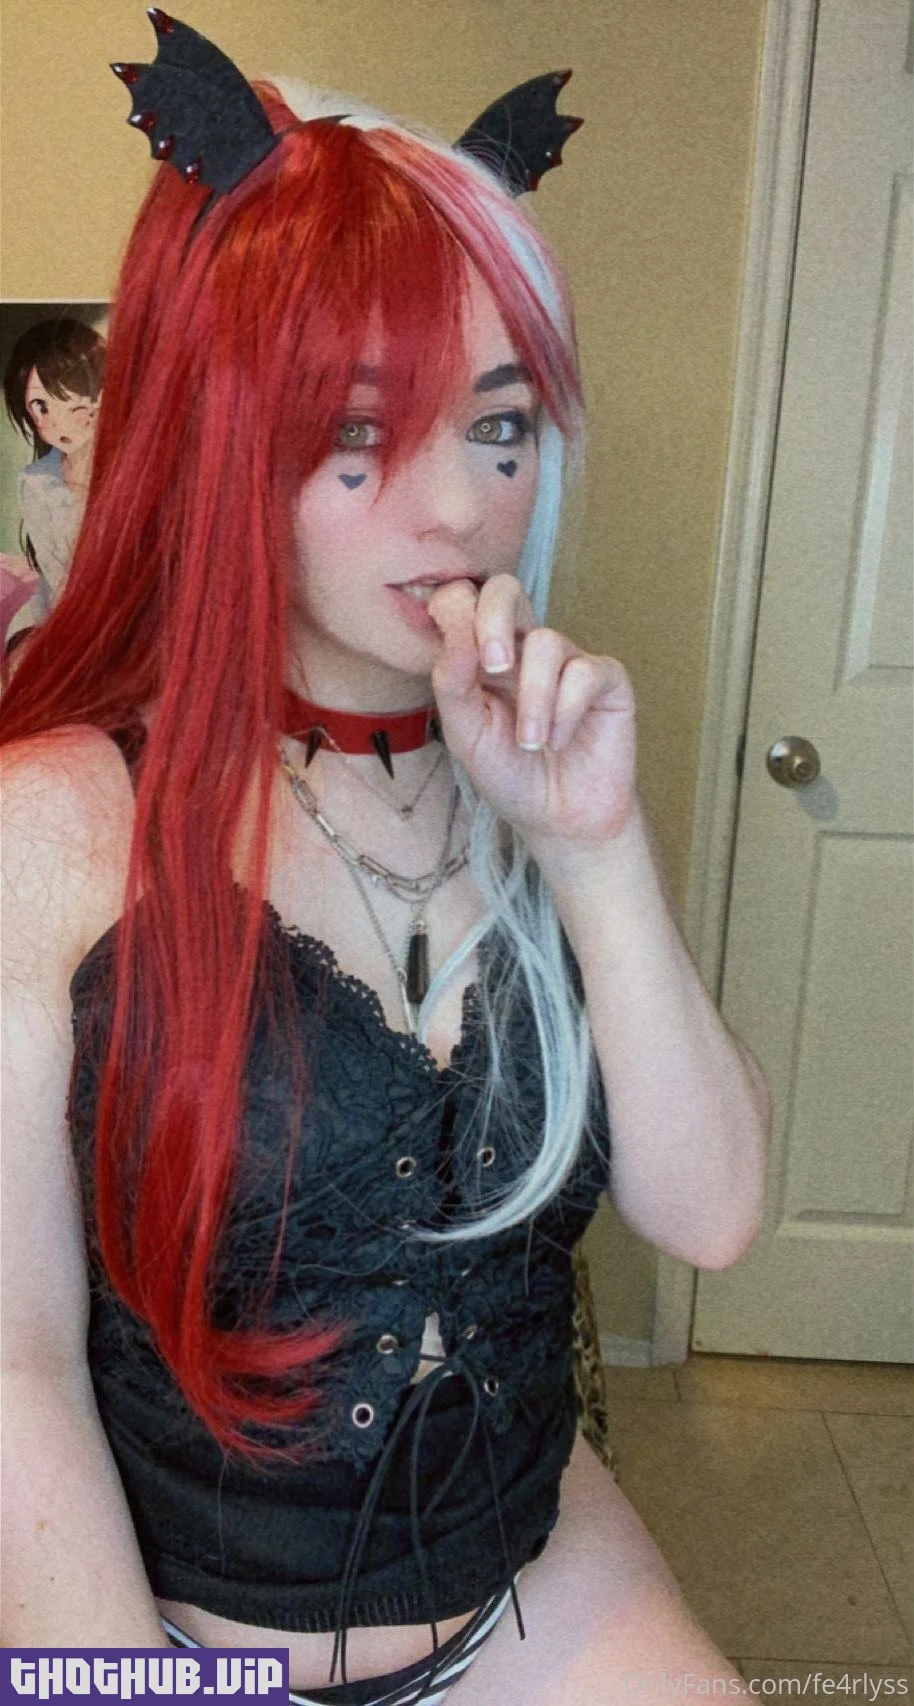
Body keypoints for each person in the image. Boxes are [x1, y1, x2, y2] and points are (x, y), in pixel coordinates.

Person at [0, 15, 771, 1702]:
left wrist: (593, 845)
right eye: (359, 432)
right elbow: (14, 1377)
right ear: (218, 432)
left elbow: (712, 1216)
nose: (458, 508)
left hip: (532, 1589)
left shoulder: (527, 768)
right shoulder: (54, 826)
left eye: (496, 428)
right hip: (179, 1644)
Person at [2, 316, 105, 651]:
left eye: (72, 397)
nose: (57, 421)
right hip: (60, 613)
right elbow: (58, 581)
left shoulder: (135, 471)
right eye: (40, 406)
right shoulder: (37, 483)